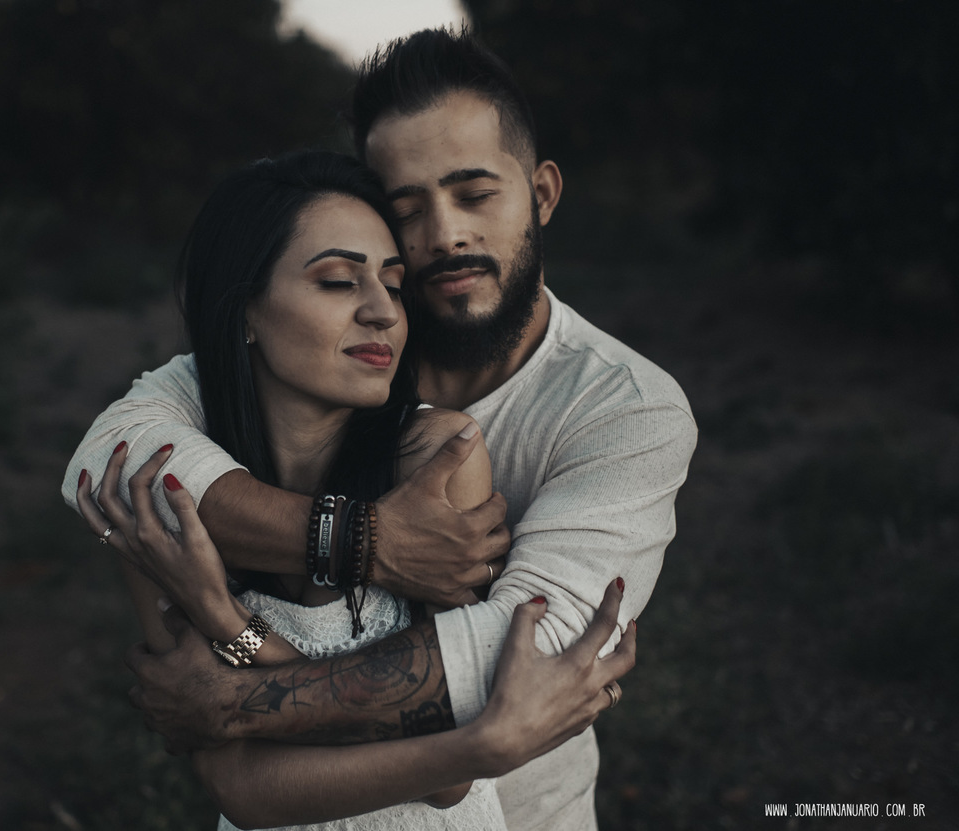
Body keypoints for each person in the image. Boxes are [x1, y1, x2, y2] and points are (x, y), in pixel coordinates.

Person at [63, 27, 696, 830]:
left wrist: (232, 682)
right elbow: (107, 456)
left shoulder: (620, 408)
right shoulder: (326, 361)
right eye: (406, 210)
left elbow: (512, 667)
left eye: (474, 194)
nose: (443, 235)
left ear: (541, 193)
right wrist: (360, 540)